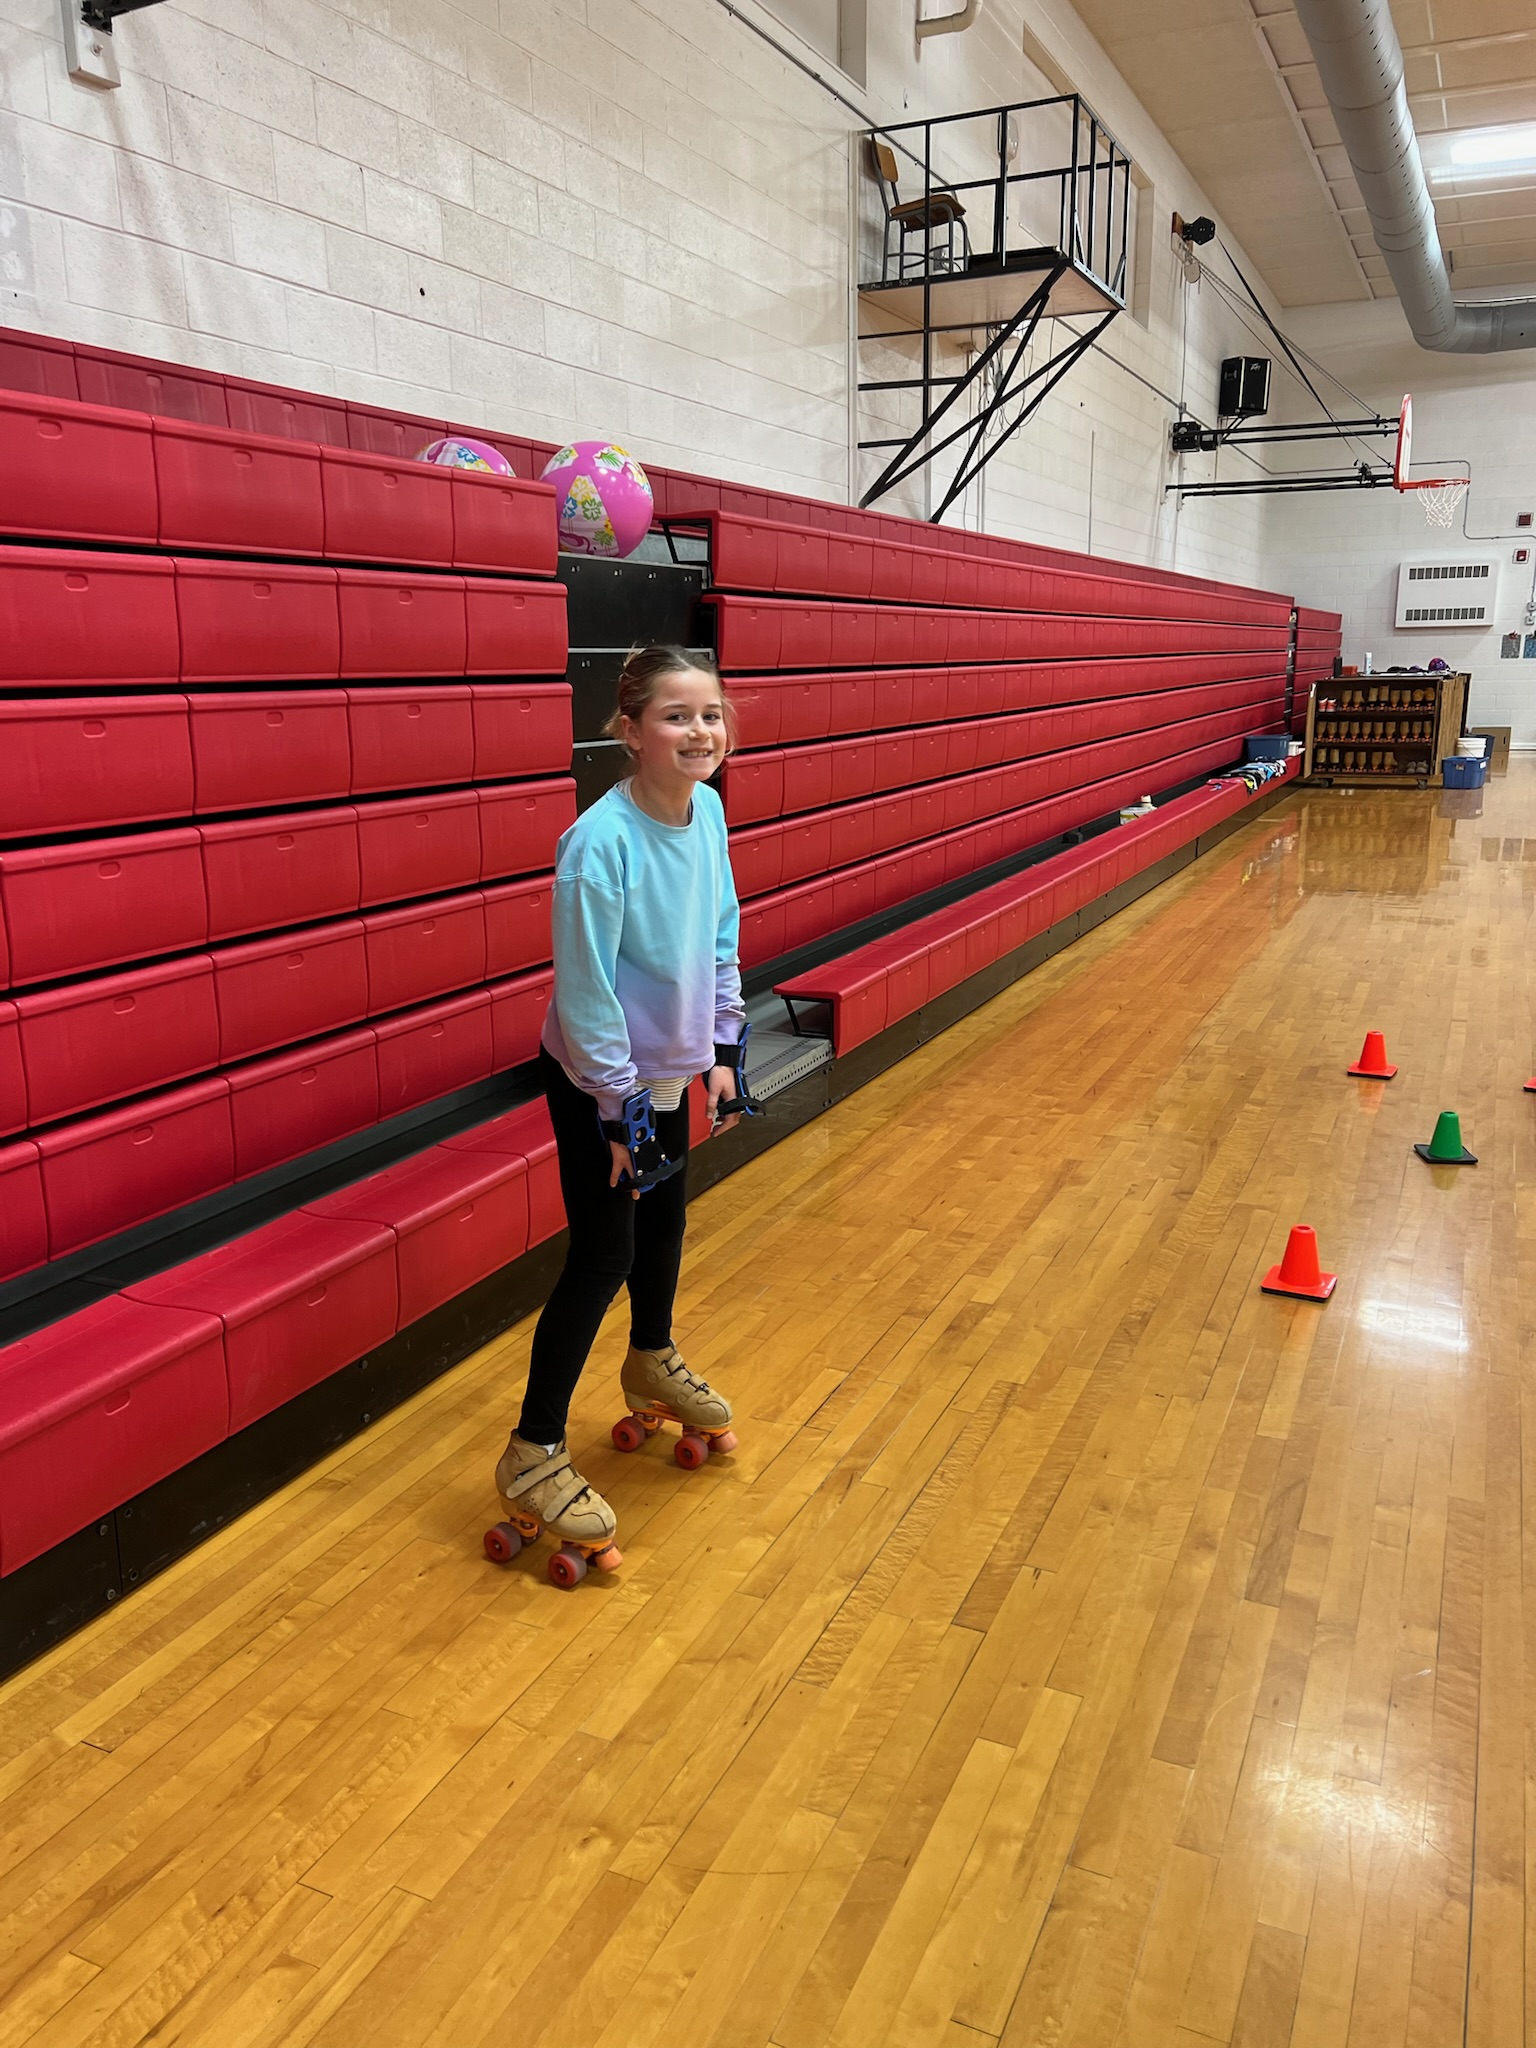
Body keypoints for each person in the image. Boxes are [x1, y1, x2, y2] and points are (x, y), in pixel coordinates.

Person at [491, 645, 751, 1577]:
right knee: (604, 1254)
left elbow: (719, 930)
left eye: (710, 714)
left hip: (670, 1069)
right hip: (602, 1084)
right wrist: (619, 1114)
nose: (700, 731)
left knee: (665, 1224)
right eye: (677, 716)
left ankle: (650, 1356)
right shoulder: (597, 844)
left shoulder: (708, 810)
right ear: (631, 731)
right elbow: (588, 992)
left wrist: (723, 1048)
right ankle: (532, 1449)